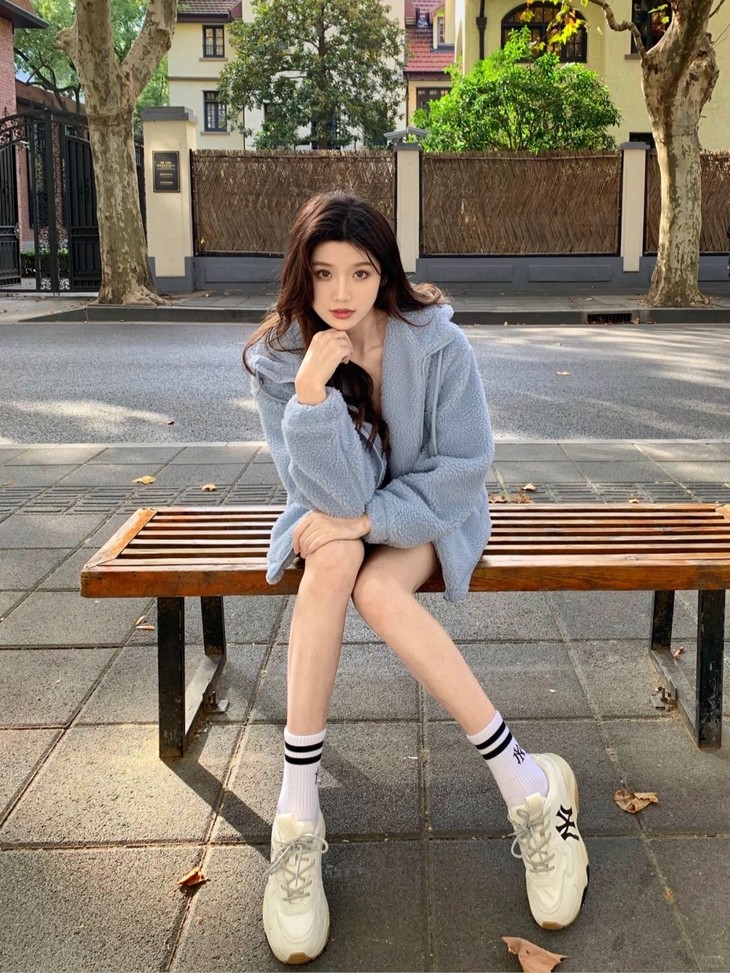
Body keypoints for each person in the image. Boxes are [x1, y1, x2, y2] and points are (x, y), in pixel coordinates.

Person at [244, 191, 589, 964]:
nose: (342, 293)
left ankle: (528, 785)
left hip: (433, 509)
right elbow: (330, 497)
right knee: (334, 558)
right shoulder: (280, 360)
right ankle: (297, 817)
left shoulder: (438, 344)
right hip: (332, 512)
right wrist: (311, 397)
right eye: (324, 272)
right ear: (301, 274)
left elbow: (462, 469)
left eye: (361, 272)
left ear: (385, 273)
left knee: (375, 586)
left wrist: (370, 521)